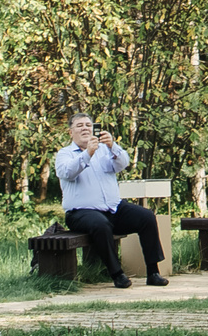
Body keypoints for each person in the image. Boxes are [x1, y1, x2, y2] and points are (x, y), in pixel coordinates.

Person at [53, 113, 169, 289]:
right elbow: (67, 172)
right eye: (79, 125)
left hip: (113, 208)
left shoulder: (104, 149)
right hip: (80, 213)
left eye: (88, 125)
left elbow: (123, 164)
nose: (85, 128)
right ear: (71, 132)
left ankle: (153, 272)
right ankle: (117, 274)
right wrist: (87, 154)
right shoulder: (65, 154)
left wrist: (112, 146)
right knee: (101, 224)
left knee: (146, 217)